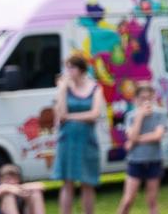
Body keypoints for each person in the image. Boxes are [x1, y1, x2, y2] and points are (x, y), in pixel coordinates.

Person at [53, 54, 103, 214]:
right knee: (67, 183)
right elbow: (61, 115)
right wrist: (61, 90)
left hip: (87, 140)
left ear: (81, 69)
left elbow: (95, 114)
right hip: (67, 140)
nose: (68, 71)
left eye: (71, 67)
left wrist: (72, 117)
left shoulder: (95, 88)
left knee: (87, 182)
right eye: (67, 67)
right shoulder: (65, 89)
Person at [117, 82, 166, 214]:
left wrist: (135, 140)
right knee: (128, 200)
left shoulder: (160, 114)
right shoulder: (131, 116)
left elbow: (157, 136)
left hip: (154, 160)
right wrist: (140, 116)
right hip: (135, 161)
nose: (146, 101)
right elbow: (131, 136)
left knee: (152, 201)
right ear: (136, 99)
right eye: (143, 98)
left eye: (149, 98)